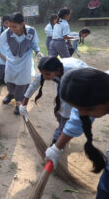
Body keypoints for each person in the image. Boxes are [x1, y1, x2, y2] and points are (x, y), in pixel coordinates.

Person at [45, 68, 109, 198]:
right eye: (78, 108)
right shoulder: (100, 86)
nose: (81, 113)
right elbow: (77, 119)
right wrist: (56, 148)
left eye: (87, 109)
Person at [19, 56, 87, 144]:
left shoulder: (75, 71)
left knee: (66, 116)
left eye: (46, 74)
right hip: (62, 88)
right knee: (59, 112)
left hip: (77, 90)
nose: (44, 76)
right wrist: (24, 104)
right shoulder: (48, 70)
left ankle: (58, 141)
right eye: (42, 73)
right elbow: (35, 83)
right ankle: (63, 129)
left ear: (58, 70)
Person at [0, 12, 43, 115]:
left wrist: (38, 52)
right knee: (10, 83)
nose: (12, 29)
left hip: (25, 61)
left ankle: (19, 103)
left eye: (15, 27)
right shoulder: (8, 33)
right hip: (11, 61)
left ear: (23, 23)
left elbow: (34, 44)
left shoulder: (31, 31)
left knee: (22, 85)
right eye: (10, 27)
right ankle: (11, 94)